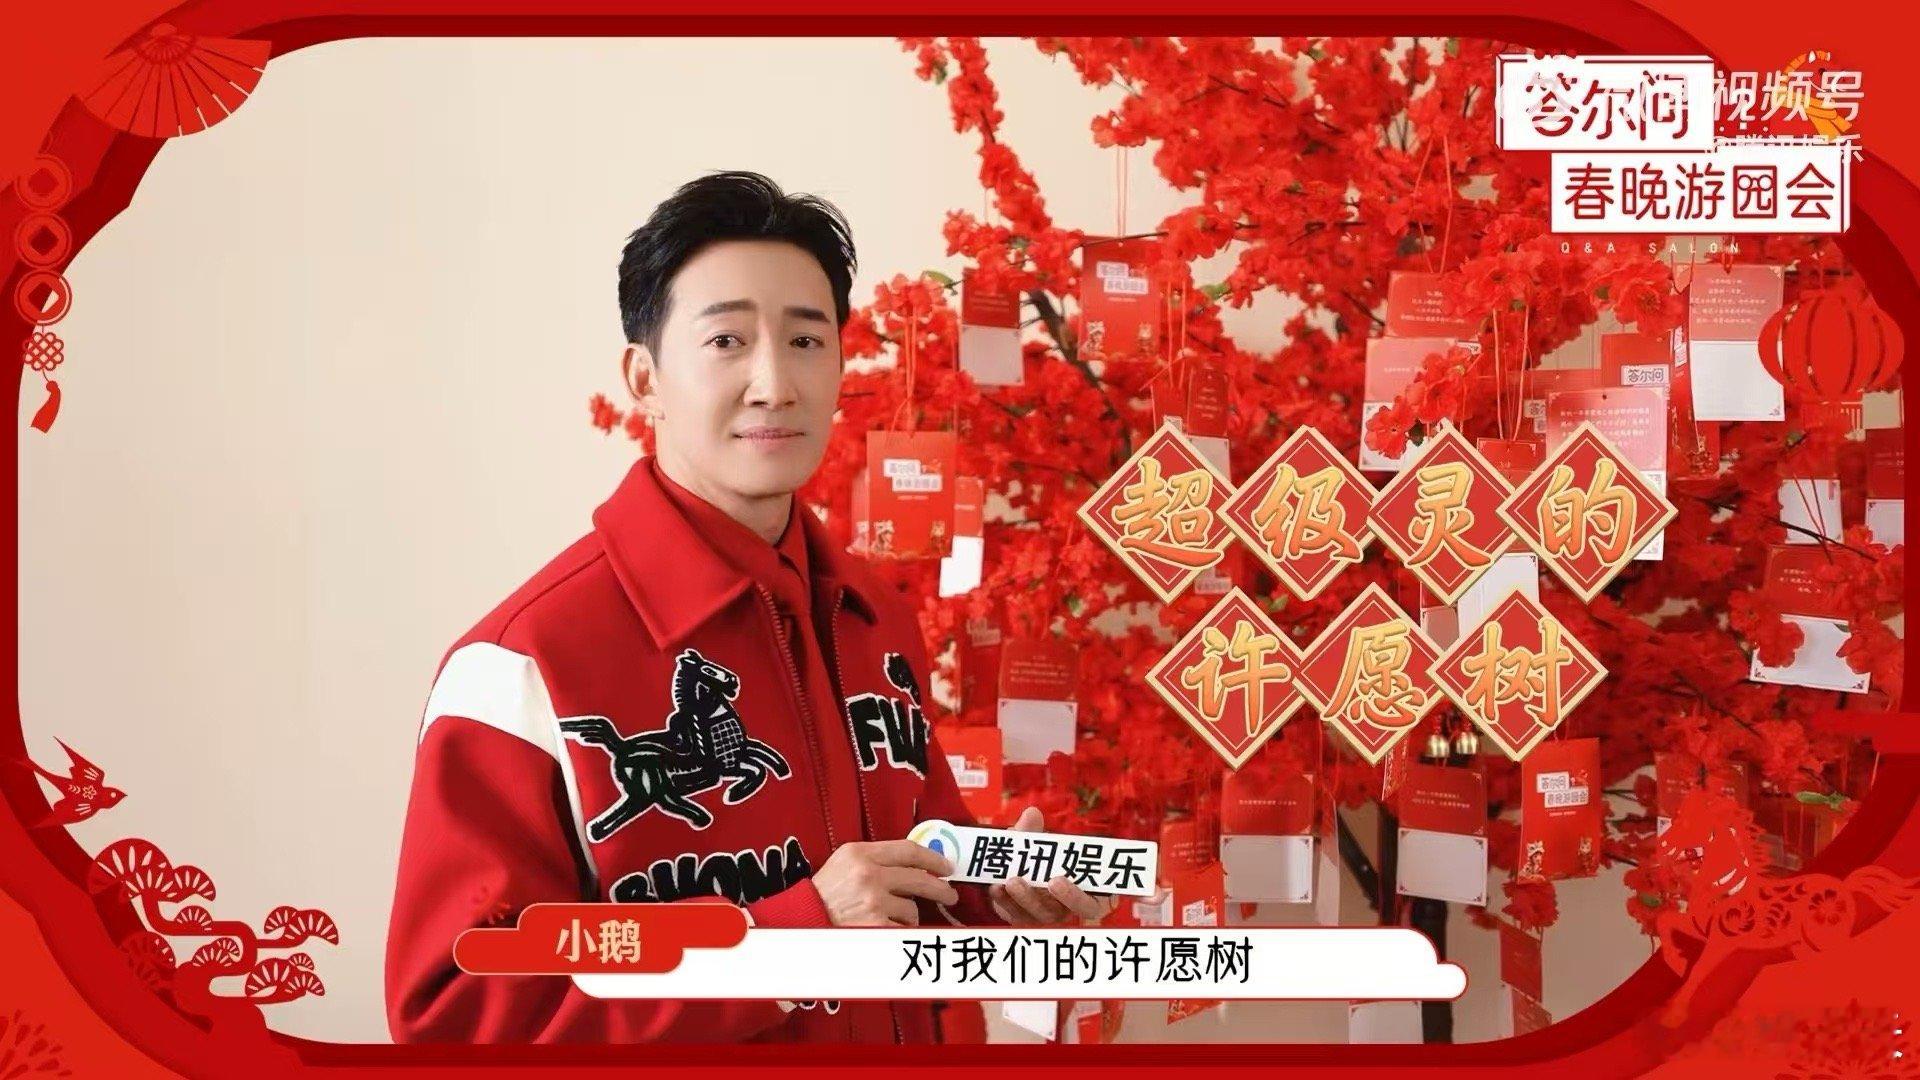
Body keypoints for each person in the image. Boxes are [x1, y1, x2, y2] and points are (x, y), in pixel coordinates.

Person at [385, 171, 1108, 1045]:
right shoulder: (521, 664)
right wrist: (793, 936)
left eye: (806, 341)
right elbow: (457, 1015)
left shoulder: (872, 614)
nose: (775, 383)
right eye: (727, 340)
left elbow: (908, 878)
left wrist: (997, 897)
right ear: (645, 378)